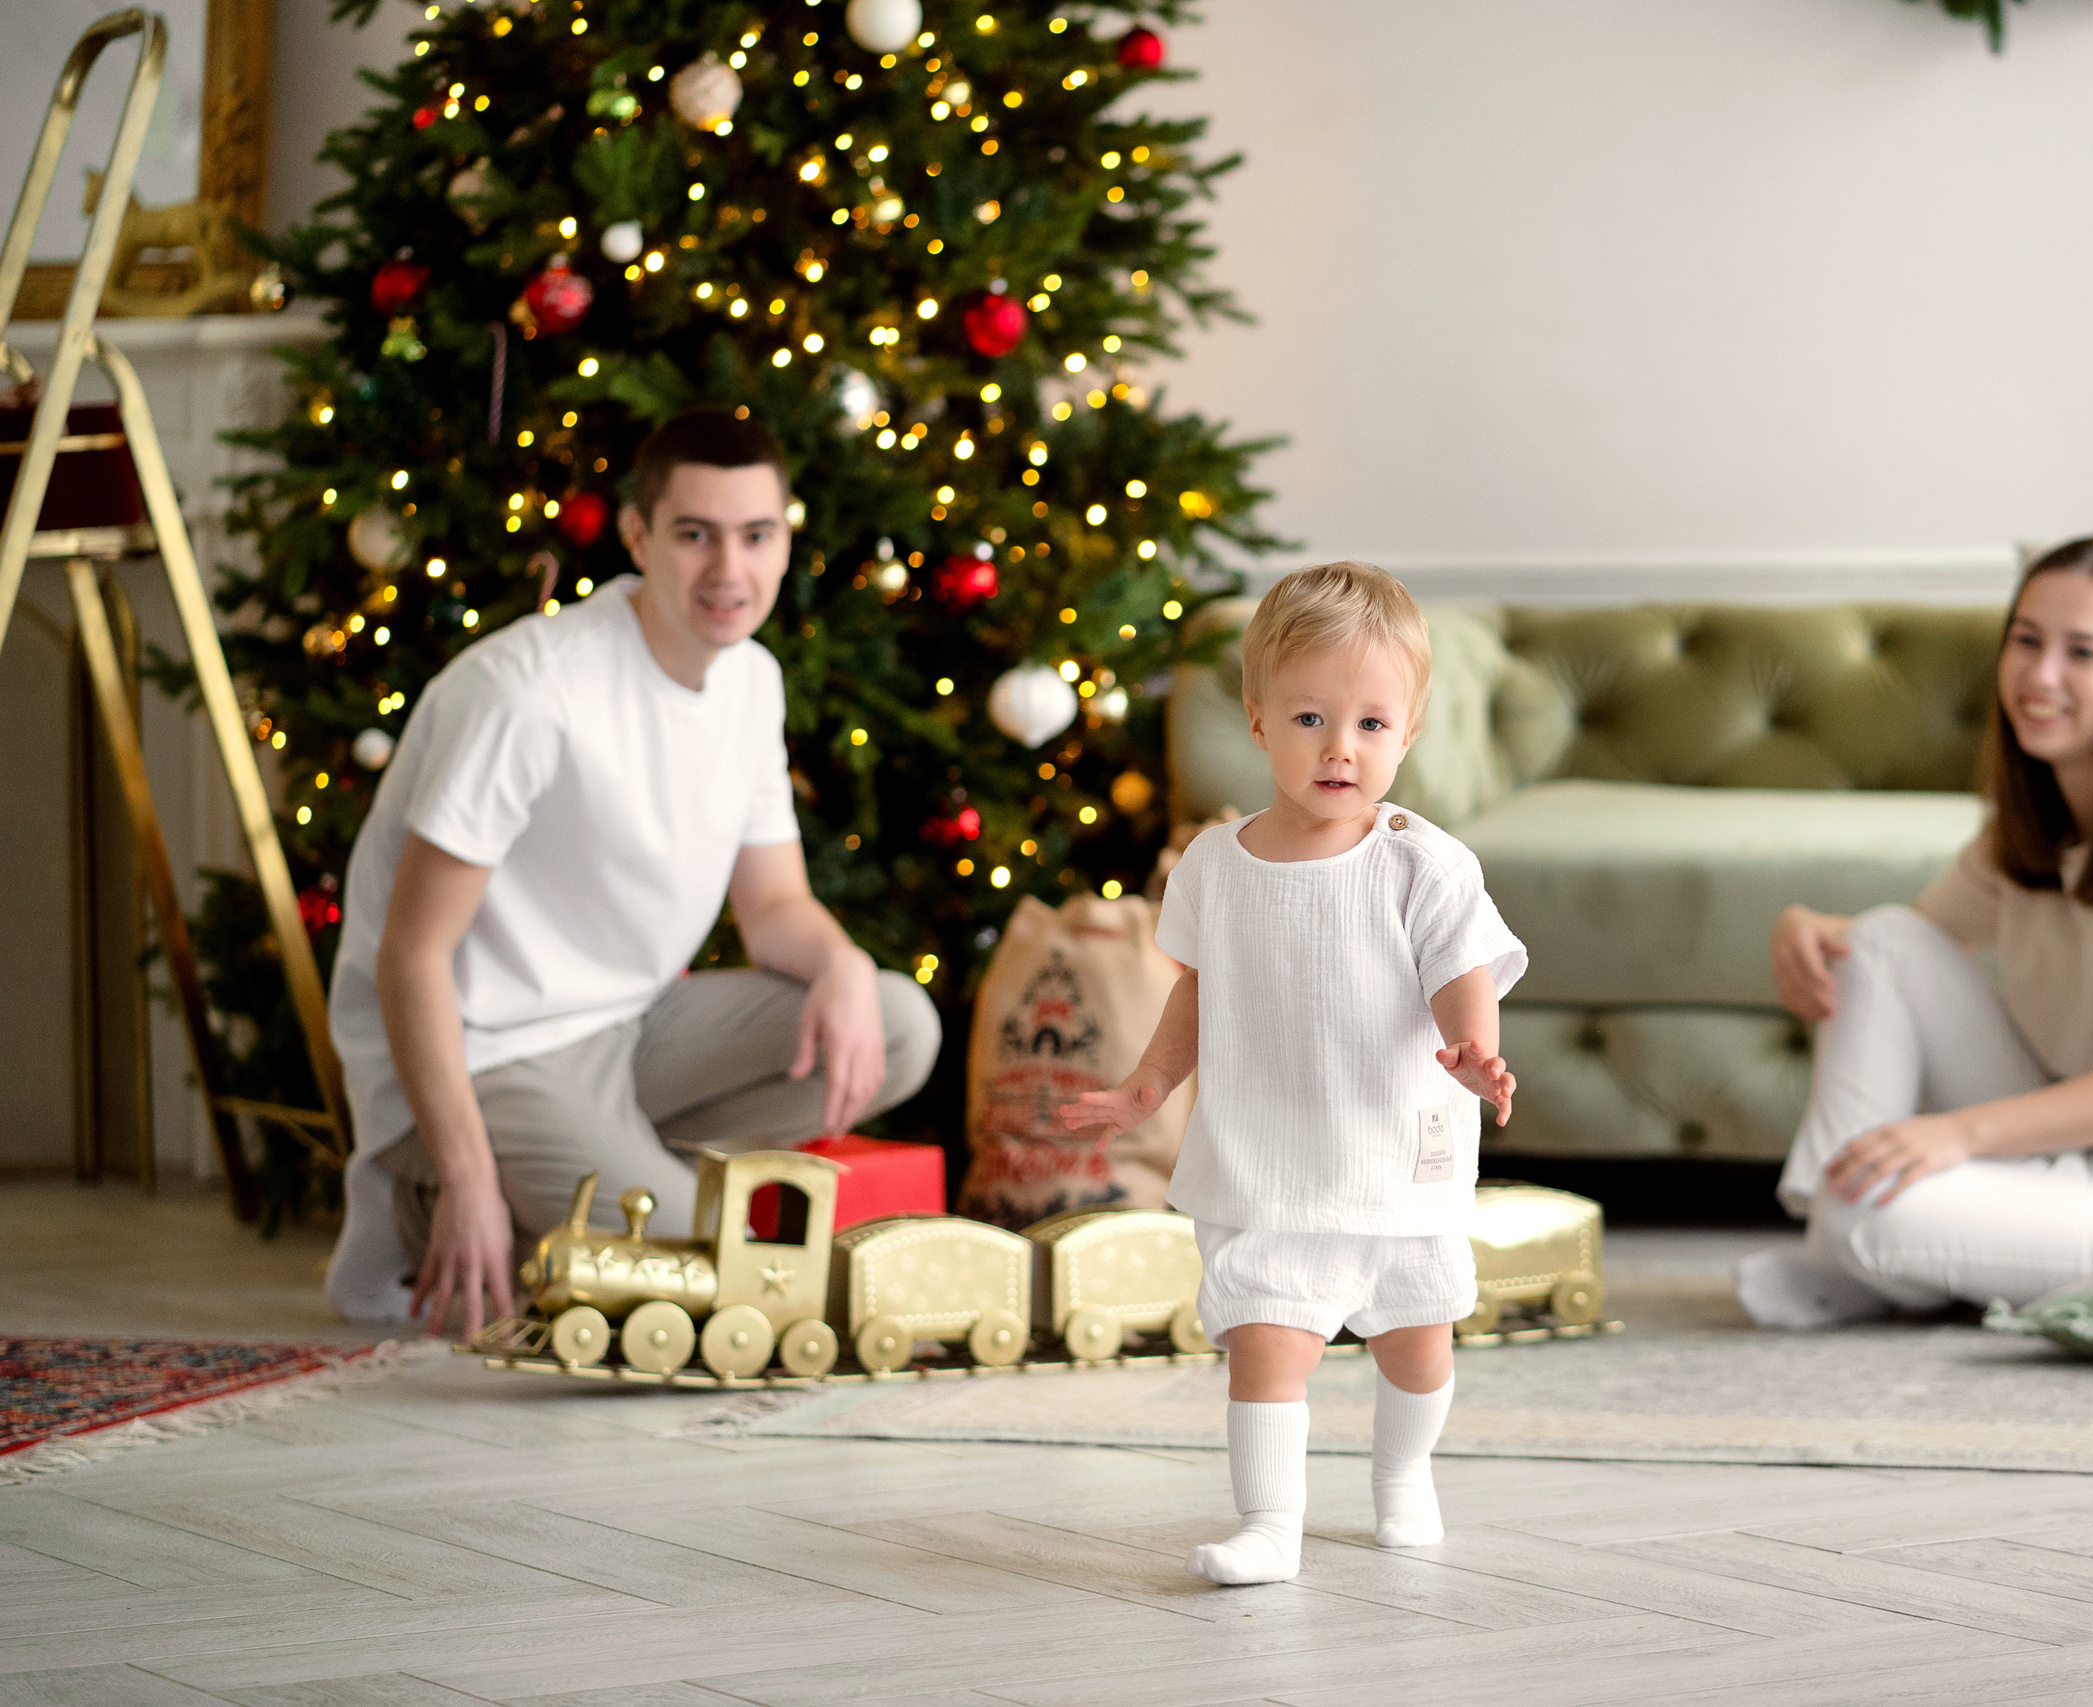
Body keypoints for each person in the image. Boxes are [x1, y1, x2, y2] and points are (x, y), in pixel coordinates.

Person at [324, 411, 939, 1333]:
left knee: (898, 1023)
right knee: (707, 1257)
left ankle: (592, 1182)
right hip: (486, 1047)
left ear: (783, 541)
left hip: (627, 1028)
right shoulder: (529, 693)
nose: (729, 570)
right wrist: (466, 1174)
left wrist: (843, 964)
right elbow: (411, 957)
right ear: (638, 536)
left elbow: (774, 906)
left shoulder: (750, 679)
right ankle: (430, 1211)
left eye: (755, 535)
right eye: (695, 535)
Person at [1057, 562, 1527, 1585]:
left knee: (1417, 1346)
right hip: (1267, 1162)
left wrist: (1469, 1045)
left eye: (1368, 724)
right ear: (1258, 721)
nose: (1338, 748)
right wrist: (1147, 1087)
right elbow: (1196, 996)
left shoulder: (1422, 864)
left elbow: (1460, 969)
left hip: (1394, 1162)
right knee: (1267, 1342)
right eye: (1310, 717)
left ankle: (1402, 1477)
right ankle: (1270, 1525)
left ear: (1408, 731)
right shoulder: (1215, 867)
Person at [1737, 536, 2093, 1329]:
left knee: (1870, 1219)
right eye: (2027, 641)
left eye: (2081, 652)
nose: (2041, 676)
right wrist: (1800, 926)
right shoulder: (2034, 820)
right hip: (2088, 1151)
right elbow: (1900, 951)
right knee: (1874, 941)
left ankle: (1842, 1239)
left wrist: (1957, 1136)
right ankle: (1840, 1230)